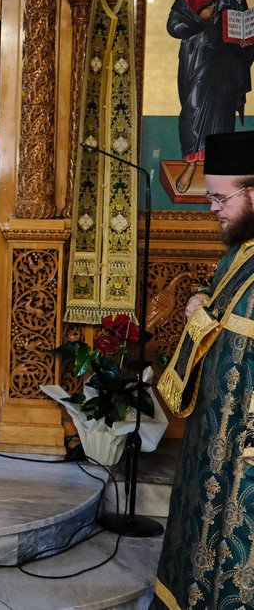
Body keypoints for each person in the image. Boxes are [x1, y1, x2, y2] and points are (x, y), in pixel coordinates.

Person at [154, 131, 254, 608]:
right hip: (214, 440)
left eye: (220, 198)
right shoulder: (243, 247)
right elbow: (221, 296)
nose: (213, 208)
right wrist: (201, 301)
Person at [167, 0, 254, 193]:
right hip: (198, 56)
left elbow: (241, 18)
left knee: (222, 117)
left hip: (226, 61)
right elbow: (174, 25)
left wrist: (246, 34)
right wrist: (200, 18)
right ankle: (191, 166)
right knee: (193, 110)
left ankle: (217, 174)